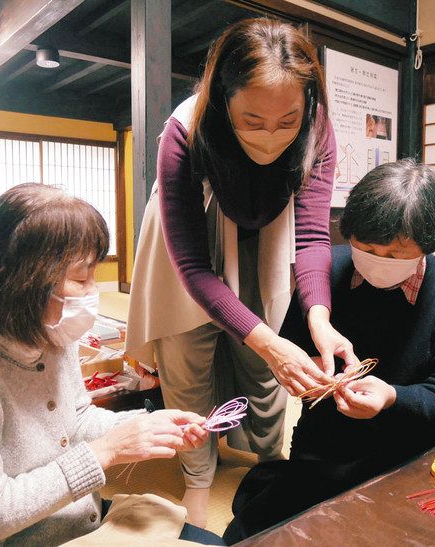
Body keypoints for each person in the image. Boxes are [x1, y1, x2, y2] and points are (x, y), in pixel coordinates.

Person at [0, 183, 225, 546]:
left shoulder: (49, 331)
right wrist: (107, 452)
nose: (91, 292)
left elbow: (76, 419)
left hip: (76, 519)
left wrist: (144, 425)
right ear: (24, 281)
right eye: (82, 278)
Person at [125, 18, 357, 527]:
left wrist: (318, 317)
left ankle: (270, 474)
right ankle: (197, 486)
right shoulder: (186, 129)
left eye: (286, 121)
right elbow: (190, 263)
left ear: (307, 105)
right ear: (223, 99)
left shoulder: (316, 127)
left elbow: (315, 236)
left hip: (265, 240)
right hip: (185, 245)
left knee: (266, 372)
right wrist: (270, 344)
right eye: (252, 121)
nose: (271, 137)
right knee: (188, 363)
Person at [223, 159, 435, 543]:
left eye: (394, 255)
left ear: (426, 245)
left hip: (407, 455)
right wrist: (305, 375)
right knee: (260, 536)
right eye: (365, 247)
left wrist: (392, 396)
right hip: (321, 446)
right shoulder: (324, 269)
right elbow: (288, 349)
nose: (378, 261)